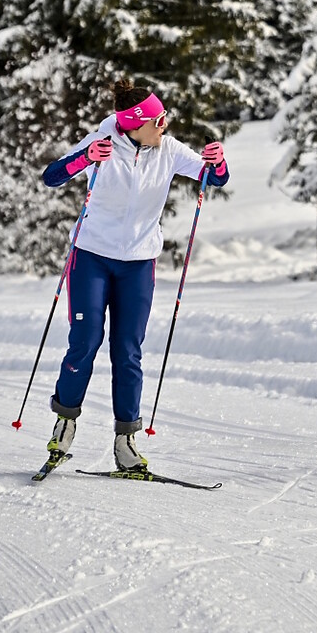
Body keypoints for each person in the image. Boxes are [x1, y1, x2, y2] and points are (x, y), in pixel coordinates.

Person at [39, 79, 228, 471]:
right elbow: (52, 176)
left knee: (128, 350)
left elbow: (213, 178)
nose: (165, 124)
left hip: (138, 264)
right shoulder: (103, 142)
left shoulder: (168, 150)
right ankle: (65, 424)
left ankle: (125, 442)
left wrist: (218, 161)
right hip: (91, 257)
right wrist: (86, 158)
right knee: (85, 341)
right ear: (136, 124)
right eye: (159, 120)